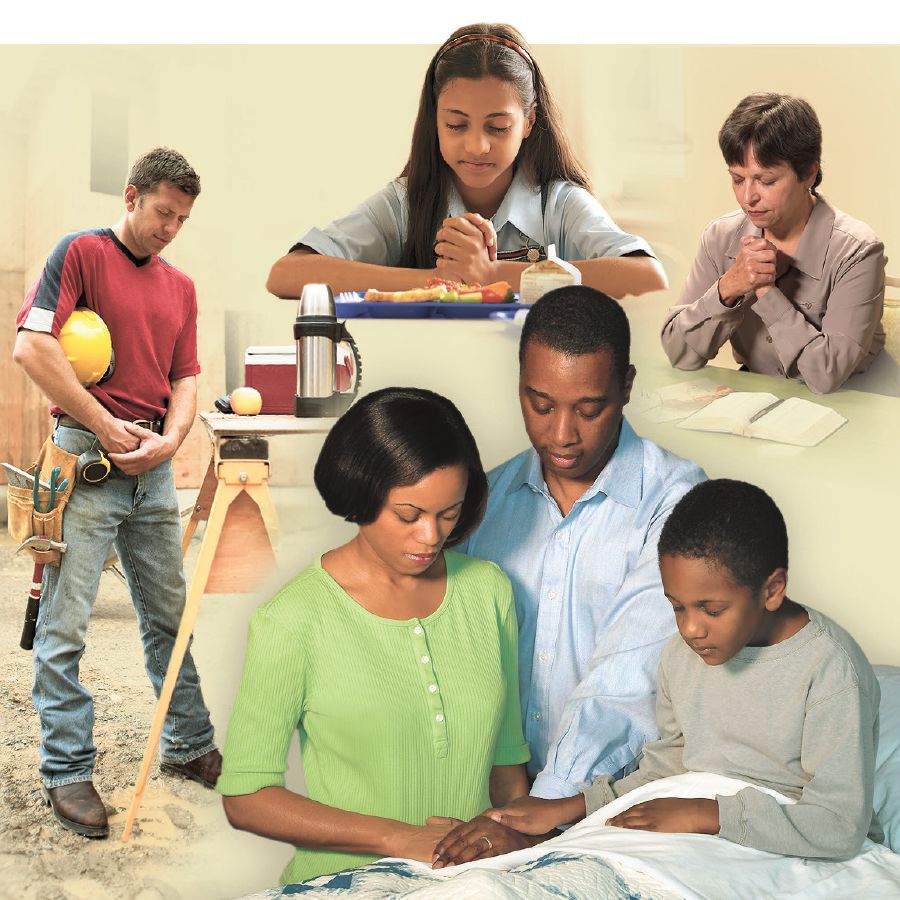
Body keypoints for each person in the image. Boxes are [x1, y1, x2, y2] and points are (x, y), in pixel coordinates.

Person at [463, 479, 883, 863]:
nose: (690, 628)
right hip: (689, 819)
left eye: (711, 609)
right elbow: (667, 765)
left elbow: (840, 826)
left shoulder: (831, 670)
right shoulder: (684, 655)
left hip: (776, 838)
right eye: (676, 606)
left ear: (771, 590)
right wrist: (568, 807)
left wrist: (707, 813)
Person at [217, 387, 533, 885]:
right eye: (408, 515)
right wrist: (398, 838)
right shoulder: (293, 618)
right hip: (343, 886)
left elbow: (508, 768)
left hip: (475, 886)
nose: (431, 536)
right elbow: (246, 796)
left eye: (448, 514)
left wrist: (518, 848)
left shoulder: (488, 591)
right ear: (362, 493)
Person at [437, 285, 705, 859]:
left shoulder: (676, 502)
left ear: (626, 387)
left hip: (616, 807)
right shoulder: (482, 502)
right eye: (540, 405)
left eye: (589, 409)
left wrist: (540, 814)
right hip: (486, 803)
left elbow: (627, 682)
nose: (561, 435)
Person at [13, 147, 221, 838]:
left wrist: (171, 440)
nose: (170, 228)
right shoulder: (79, 254)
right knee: (64, 625)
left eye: (182, 219)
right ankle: (68, 772)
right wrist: (107, 427)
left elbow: (186, 377)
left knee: (169, 613)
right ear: (132, 197)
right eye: (163, 212)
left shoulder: (182, 288)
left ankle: (188, 744)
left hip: (154, 470)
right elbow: (30, 348)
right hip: (86, 463)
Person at [266, 24, 667, 300]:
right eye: (457, 125)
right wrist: (437, 281)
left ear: (528, 123)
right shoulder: (406, 203)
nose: (477, 146)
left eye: (497, 128)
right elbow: (286, 274)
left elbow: (649, 278)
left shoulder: (558, 204)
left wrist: (493, 277)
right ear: (434, 121)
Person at [661, 92, 886, 394]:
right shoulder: (720, 236)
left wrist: (766, 292)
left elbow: (825, 376)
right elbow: (679, 353)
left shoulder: (858, 251)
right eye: (738, 179)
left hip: (857, 402)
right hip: (761, 403)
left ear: (809, 173)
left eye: (766, 181)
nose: (748, 197)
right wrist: (729, 287)